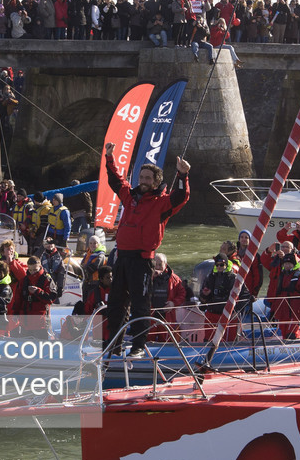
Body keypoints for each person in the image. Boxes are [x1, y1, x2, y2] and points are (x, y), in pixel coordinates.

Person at [101, 142, 190, 357]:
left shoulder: (162, 203)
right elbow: (116, 181)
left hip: (142, 261)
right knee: (115, 303)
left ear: (156, 182)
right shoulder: (129, 196)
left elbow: (181, 197)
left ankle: (139, 346)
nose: (143, 181)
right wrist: (110, 158)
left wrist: (183, 175)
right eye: (141, 178)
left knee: (141, 304)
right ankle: (115, 344)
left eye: (148, 179)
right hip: (121, 259)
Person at [200, 242, 244, 343]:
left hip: (228, 313)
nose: (219, 267)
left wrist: (236, 310)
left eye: (222, 265)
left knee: (229, 340)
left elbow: (244, 294)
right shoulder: (211, 277)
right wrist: (204, 296)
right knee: (209, 339)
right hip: (212, 312)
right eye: (217, 265)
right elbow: (203, 294)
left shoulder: (233, 276)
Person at [8, 254, 58, 337]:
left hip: (40, 322)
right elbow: (18, 299)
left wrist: (38, 291)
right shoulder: (24, 281)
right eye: (30, 270)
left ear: (40, 266)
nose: (32, 272)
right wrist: (15, 313)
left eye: (35, 270)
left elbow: (51, 298)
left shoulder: (46, 279)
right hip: (25, 322)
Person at [146, 252, 191, 343]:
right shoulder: (147, 277)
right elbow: (140, 291)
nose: (158, 267)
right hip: (151, 316)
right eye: (156, 264)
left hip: (167, 317)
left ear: (165, 265)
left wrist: (173, 303)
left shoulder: (174, 279)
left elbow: (182, 294)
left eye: (160, 264)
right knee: (148, 340)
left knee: (166, 342)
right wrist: (151, 277)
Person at [269, 253, 300, 339]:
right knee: (285, 335)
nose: (287, 266)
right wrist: (273, 312)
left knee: (291, 335)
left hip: (295, 312)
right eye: (285, 264)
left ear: (294, 265)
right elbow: (277, 296)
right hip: (283, 312)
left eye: (290, 264)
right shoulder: (281, 278)